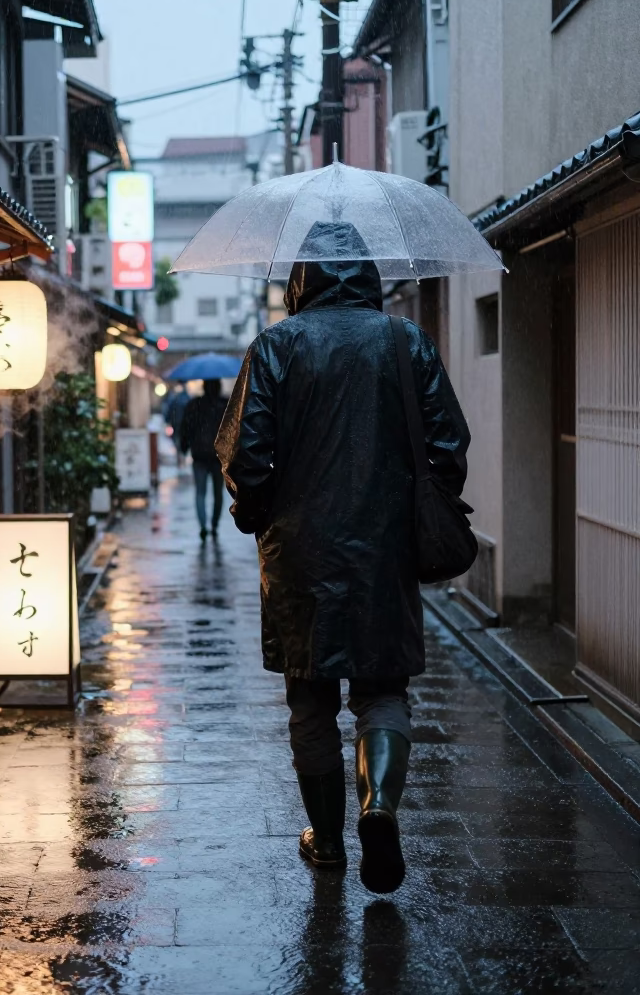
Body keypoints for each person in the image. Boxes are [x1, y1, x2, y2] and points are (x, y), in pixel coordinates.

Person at [215, 221, 470, 895]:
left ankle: (327, 840)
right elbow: (449, 443)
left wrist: (256, 514)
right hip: (385, 548)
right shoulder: (405, 341)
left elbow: (245, 454)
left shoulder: (275, 346)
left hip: (299, 553)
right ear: (368, 277)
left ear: (300, 281)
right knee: (383, 689)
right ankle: (378, 805)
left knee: (310, 698)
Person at [179, 379, 229, 540]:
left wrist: (184, 446)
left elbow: (185, 427)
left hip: (199, 455)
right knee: (218, 493)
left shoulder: (194, 405)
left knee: (200, 492)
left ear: (204, 387)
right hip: (218, 456)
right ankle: (214, 524)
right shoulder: (226, 405)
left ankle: (203, 526)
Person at [163, 384, 190, 470]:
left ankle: (180, 459)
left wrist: (168, 420)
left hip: (177, 424)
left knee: (178, 441)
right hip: (184, 425)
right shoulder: (187, 399)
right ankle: (183, 458)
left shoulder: (174, 399)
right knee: (183, 441)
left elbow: (169, 412)